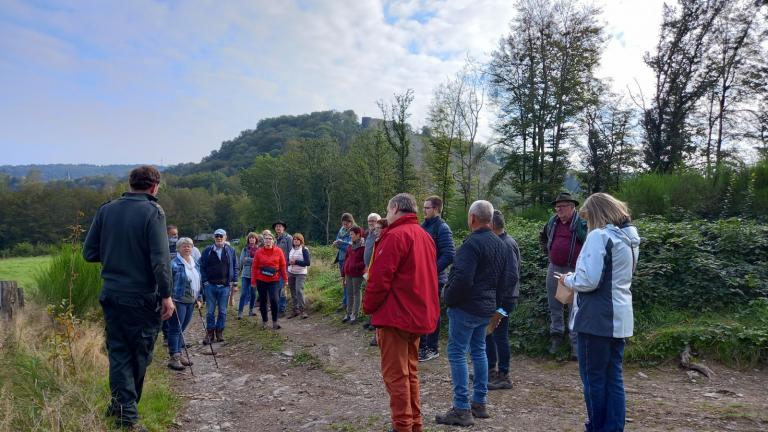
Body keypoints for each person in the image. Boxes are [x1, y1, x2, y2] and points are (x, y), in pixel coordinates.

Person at [83, 165, 174, 430]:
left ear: (131, 183)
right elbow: (160, 261)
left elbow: (89, 253)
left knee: (120, 352)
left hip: (111, 294)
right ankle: (128, 417)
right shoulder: (154, 212)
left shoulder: (106, 210)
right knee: (140, 355)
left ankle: (119, 407)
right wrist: (167, 295)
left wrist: (116, 255)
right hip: (141, 297)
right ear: (155, 186)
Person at [561, 193, 640, 432]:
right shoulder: (629, 239)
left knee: (593, 379)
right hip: (620, 318)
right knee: (613, 377)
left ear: (596, 214)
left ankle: (596, 427)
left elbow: (588, 280)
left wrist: (569, 279)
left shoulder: (600, 237)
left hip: (595, 319)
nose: (586, 224)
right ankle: (613, 427)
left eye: (587, 219)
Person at [436, 200, 517, 427]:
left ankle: (461, 408)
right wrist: (496, 305)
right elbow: (506, 279)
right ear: (490, 219)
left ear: (472, 218)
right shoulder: (501, 244)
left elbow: (462, 279)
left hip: (465, 307)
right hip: (486, 308)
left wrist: (448, 297)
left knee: (458, 353)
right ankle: (479, 403)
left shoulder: (470, 245)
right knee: (479, 351)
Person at [363, 193, 439, 432]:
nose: (386, 215)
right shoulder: (424, 236)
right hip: (416, 314)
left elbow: (379, 279)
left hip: (396, 316)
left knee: (396, 377)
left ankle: (403, 426)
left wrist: (368, 307)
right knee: (410, 373)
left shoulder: (396, 236)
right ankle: (414, 424)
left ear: (395, 207)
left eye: (387, 210)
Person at [539, 191, 587, 358]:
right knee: (555, 305)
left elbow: (590, 244)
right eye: (557, 206)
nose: (558, 209)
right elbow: (543, 237)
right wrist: (549, 252)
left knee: (574, 307)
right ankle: (556, 338)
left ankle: (575, 345)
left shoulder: (582, 224)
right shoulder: (552, 222)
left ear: (572, 207)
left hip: (574, 270)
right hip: (554, 268)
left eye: (562, 206)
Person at [485, 209, 521, 390]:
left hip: (504, 300)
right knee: (489, 333)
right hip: (499, 298)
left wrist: (499, 299)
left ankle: (504, 375)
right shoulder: (501, 241)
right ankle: (490, 370)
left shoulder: (506, 244)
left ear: (492, 225)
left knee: (499, 335)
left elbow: (512, 276)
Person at [419, 195, 456, 362]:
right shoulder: (422, 227)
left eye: (427, 208)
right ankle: (421, 346)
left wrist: (430, 271)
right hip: (421, 278)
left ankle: (432, 348)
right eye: (424, 207)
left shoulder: (442, 228)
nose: (424, 210)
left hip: (435, 278)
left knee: (432, 314)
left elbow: (449, 254)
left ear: (436, 209)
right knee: (421, 313)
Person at [167, 237, 202, 371]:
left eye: (189, 246)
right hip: (178, 300)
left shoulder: (195, 263)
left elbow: (198, 281)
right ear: (178, 249)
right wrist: (170, 299)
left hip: (191, 300)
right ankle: (173, 357)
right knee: (176, 328)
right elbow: (168, 284)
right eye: (184, 246)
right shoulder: (174, 264)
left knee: (183, 327)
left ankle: (179, 354)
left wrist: (198, 298)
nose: (187, 248)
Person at [199, 228, 238, 344]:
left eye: (221, 236)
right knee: (210, 311)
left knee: (223, 311)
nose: (219, 238)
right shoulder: (207, 251)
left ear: (225, 238)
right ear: (214, 238)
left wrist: (235, 283)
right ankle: (210, 333)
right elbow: (201, 267)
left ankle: (219, 332)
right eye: (217, 236)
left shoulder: (231, 250)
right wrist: (205, 282)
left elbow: (235, 267)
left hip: (225, 286)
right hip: (210, 286)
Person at [251, 230, 289, 329]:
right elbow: (254, 267)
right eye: (266, 239)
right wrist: (253, 282)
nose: (268, 240)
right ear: (264, 241)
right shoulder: (259, 252)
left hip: (274, 280)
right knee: (263, 301)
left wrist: (285, 279)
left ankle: (275, 321)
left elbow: (283, 266)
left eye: (270, 239)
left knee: (274, 299)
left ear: (273, 240)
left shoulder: (278, 251)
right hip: (261, 280)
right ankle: (264, 321)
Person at [342, 226, 366, 324]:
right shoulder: (350, 246)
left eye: (352, 234)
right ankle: (348, 313)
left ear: (358, 234)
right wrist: (343, 272)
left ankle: (355, 315)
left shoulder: (363, 246)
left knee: (356, 293)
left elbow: (365, 261)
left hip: (357, 274)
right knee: (349, 293)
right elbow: (346, 259)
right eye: (350, 234)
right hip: (348, 273)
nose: (350, 236)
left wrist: (355, 266)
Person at [333, 213, 355, 310]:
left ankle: (349, 303)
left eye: (346, 224)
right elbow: (338, 240)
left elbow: (351, 247)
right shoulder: (341, 230)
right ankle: (345, 302)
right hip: (341, 258)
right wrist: (338, 243)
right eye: (343, 223)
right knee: (344, 282)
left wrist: (340, 244)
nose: (345, 225)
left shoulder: (354, 231)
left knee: (349, 282)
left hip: (349, 258)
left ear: (351, 222)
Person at [287, 233, 311, 319]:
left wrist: (296, 262)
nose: (295, 241)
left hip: (301, 273)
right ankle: (295, 310)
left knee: (299, 290)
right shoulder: (291, 249)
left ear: (301, 241)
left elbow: (307, 263)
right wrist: (288, 263)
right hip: (291, 272)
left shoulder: (304, 249)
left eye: (298, 239)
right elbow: (288, 261)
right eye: (294, 239)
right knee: (293, 292)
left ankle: (303, 311)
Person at [273, 221, 293, 316]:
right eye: (276, 227)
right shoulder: (275, 239)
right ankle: (277, 308)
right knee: (276, 288)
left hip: (285, 267)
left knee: (282, 288)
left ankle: (282, 309)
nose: (278, 228)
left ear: (283, 228)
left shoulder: (288, 238)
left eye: (280, 226)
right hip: (275, 268)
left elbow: (291, 252)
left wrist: (288, 266)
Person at [237, 232, 259, 319]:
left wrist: (249, 259)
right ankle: (240, 312)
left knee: (253, 293)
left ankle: (251, 310)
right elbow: (242, 261)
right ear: (248, 239)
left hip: (255, 275)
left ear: (256, 239)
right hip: (245, 275)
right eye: (250, 238)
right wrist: (253, 260)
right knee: (243, 293)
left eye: (253, 238)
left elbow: (259, 261)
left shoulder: (259, 249)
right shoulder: (245, 249)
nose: (251, 239)